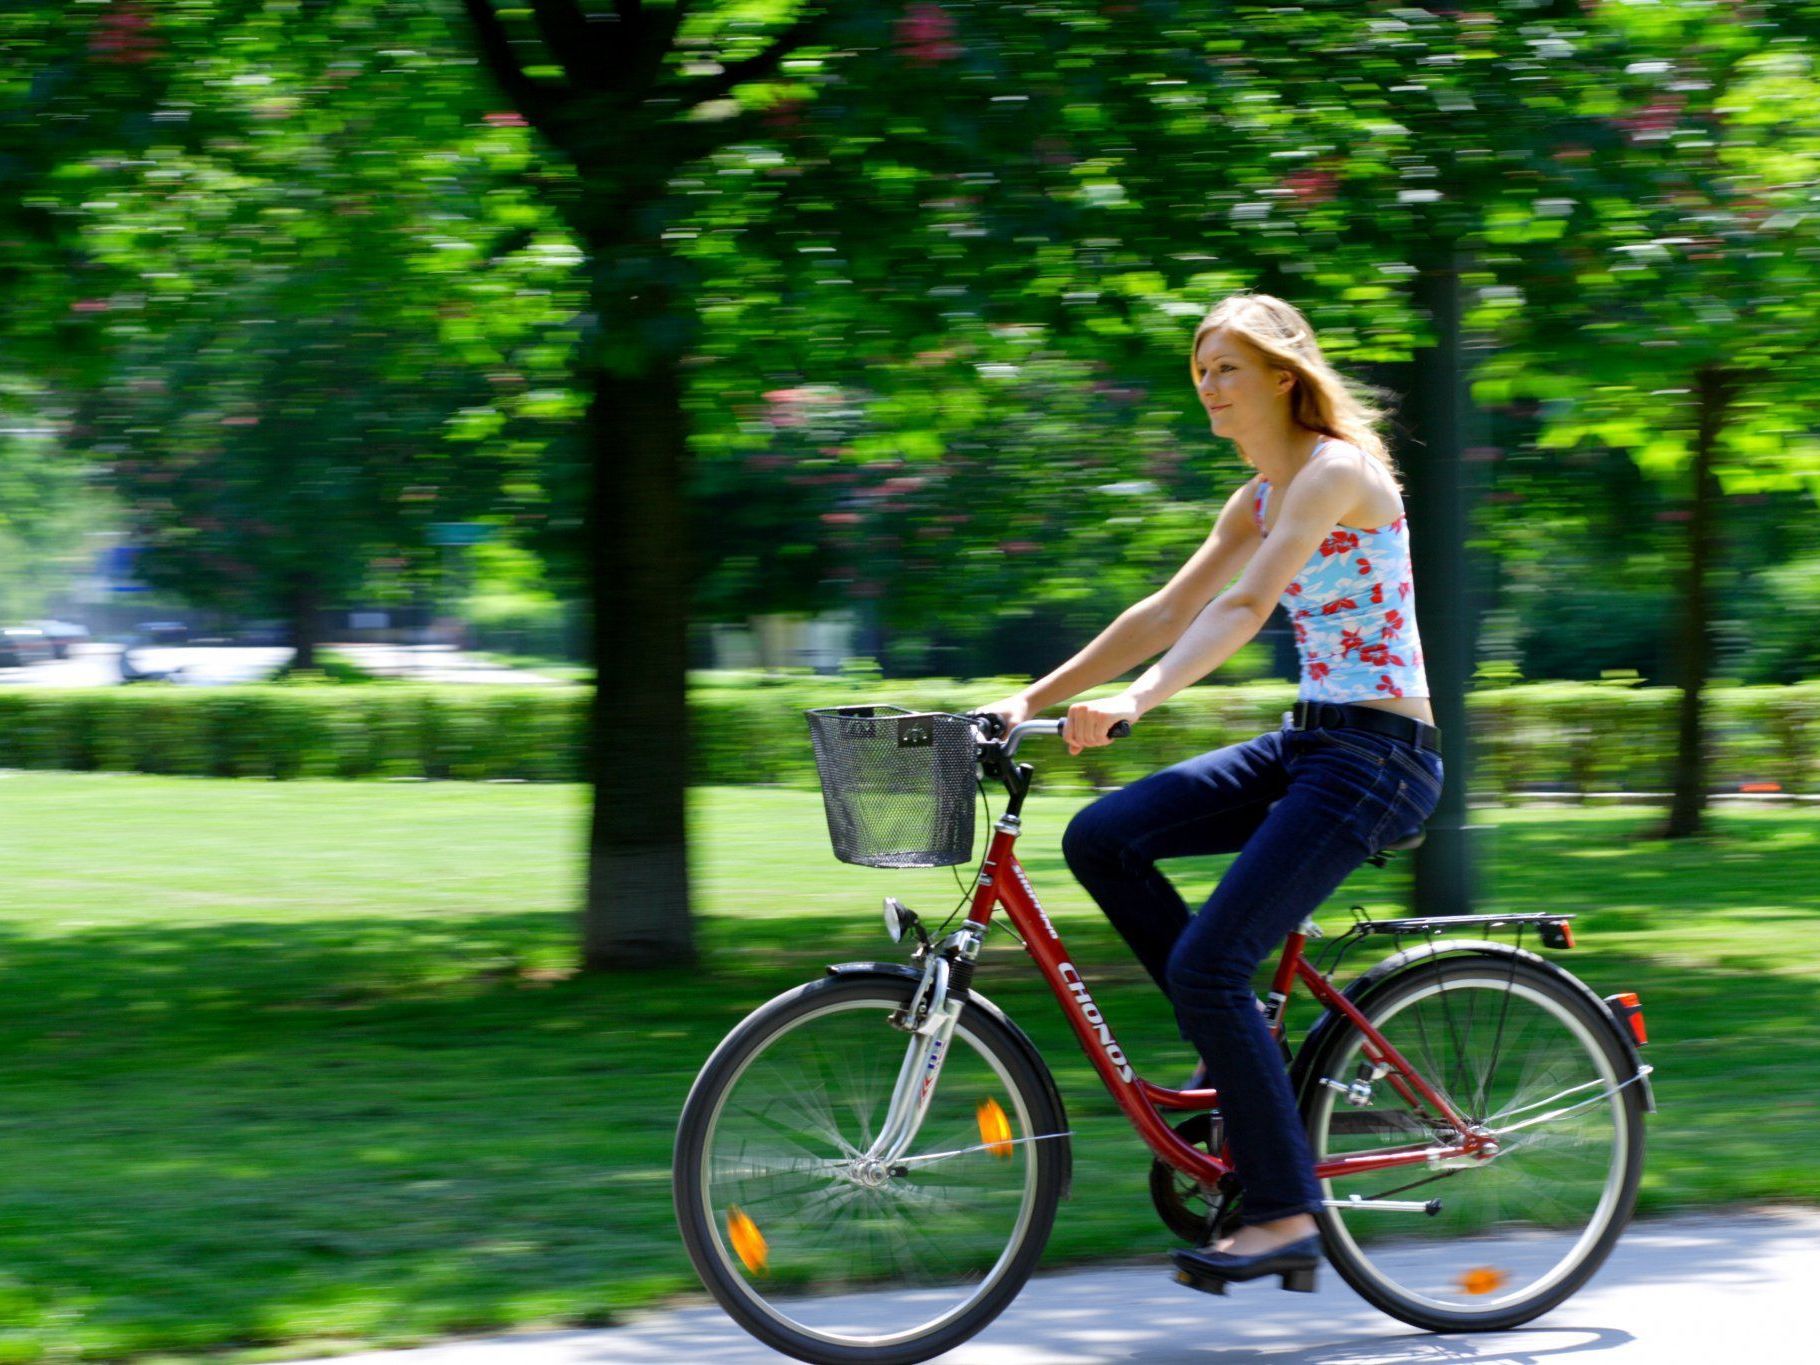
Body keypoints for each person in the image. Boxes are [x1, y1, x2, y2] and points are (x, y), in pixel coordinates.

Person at [979, 291, 1444, 1292]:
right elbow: (1167, 606)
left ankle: (1281, 1213)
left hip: (1380, 759)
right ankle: (1239, 1060)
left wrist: (1138, 702)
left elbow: (1245, 602)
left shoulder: (1333, 474)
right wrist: (1031, 697)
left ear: (1284, 375)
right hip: (1312, 745)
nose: (1208, 390)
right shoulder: (1260, 496)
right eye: (1199, 373)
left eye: (1225, 369)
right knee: (1103, 837)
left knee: (1207, 965)